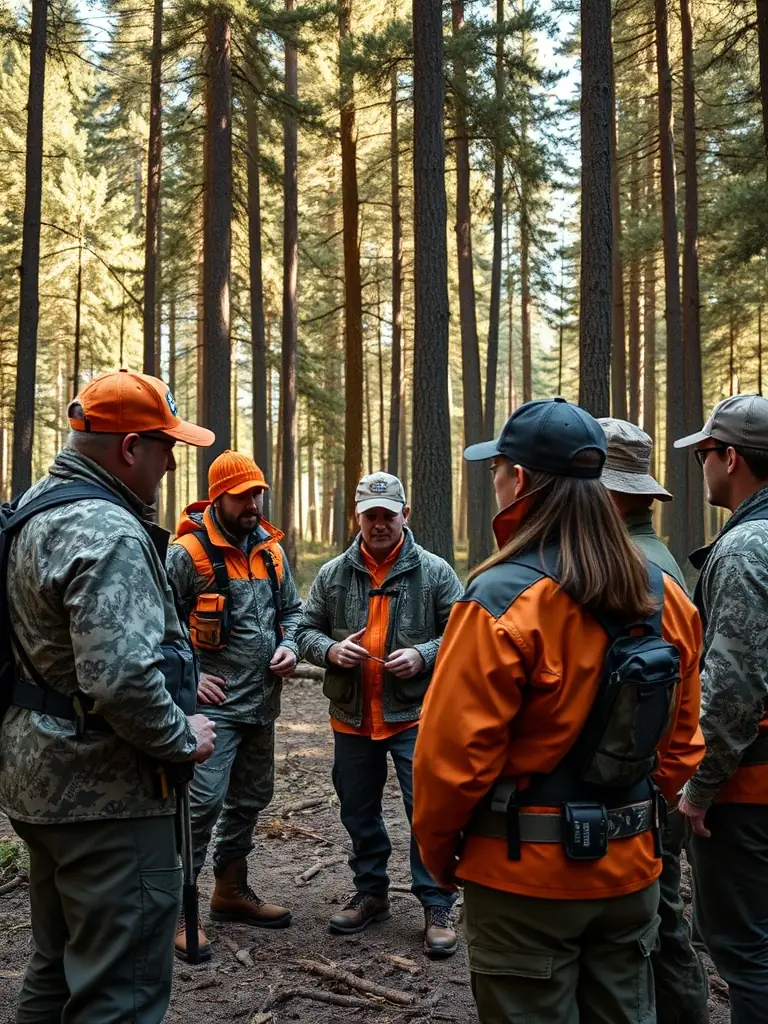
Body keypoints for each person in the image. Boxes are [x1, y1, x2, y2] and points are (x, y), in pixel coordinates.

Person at [413, 398, 705, 1023]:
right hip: (632, 876)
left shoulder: (498, 598)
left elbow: (449, 764)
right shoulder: (666, 596)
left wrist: (440, 858)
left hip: (525, 884)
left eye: (496, 470)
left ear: (516, 480)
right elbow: (682, 747)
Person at [0, 369, 217, 1024]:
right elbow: (120, 677)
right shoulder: (110, 533)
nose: (171, 463)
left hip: (37, 785)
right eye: (166, 446)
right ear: (130, 447)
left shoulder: (35, 510)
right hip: (106, 798)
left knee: (56, 965)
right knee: (119, 990)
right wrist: (185, 738)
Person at [296, 472, 464, 958]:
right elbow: (304, 629)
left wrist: (425, 655)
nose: (378, 524)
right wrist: (329, 650)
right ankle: (371, 894)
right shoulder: (333, 574)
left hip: (415, 716)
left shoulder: (433, 572)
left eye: (388, 515)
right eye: (370, 515)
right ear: (358, 516)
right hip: (351, 718)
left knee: (426, 813)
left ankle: (436, 902)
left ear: (404, 515)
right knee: (358, 811)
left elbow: (462, 633)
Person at [166, 450, 302, 960]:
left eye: (258, 493)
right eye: (243, 495)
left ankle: (229, 889)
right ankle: (180, 909)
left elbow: (293, 608)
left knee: (250, 800)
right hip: (212, 710)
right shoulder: (187, 554)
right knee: (200, 806)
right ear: (218, 496)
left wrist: (291, 644)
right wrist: (191, 677)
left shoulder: (271, 551)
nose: (253, 503)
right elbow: (158, 625)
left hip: (262, 703)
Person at [599, 416, 709, 1024]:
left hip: (647, 792)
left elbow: (672, 707)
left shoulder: (642, 571)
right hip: (653, 787)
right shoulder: (646, 555)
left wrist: (657, 793)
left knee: (660, 931)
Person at [675, 393, 768, 1024]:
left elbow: (734, 690)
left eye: (704, 453)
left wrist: (700, 789)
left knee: (747, 954)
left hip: (749, 790)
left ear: (730, 458)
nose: (701, 466)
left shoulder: (743, 550)